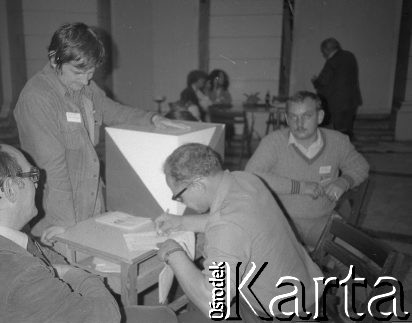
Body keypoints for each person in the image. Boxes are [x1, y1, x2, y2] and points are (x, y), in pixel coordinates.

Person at [0, 143, 178, 323]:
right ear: (10, 189)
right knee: (164, 317)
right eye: (31, 176)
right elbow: (108, 315)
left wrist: (59, 270)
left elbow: (42, 254)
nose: (37, 184)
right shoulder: (23, 277)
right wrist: (75, 273)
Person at [14, 22, 185, 238]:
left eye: (91, 72)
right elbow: (53, 171)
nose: (86, 79)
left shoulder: (83, 86)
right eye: (78, 71)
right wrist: (66, 225)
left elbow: (112, 110)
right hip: (58, 213)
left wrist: (152, 118)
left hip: (90, 200)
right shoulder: (37, 98)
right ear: (54, 58)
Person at [155, 143, 322, 322]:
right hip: (308, 289)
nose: (181, 202)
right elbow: (236, 222)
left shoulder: (227, 226)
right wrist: (180, 222)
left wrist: (173, 252)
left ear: (198, 185)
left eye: (179, 196)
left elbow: (214, 304)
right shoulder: (244, 179)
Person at [245, 91, 369, 248]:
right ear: (286, 119)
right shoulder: (273, 142)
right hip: (280, 221)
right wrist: (300, 187)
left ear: (320, 116)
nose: (299, 123)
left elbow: (360, 166)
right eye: (293, 117)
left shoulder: (337, 141)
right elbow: (251, 175)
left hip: (322, 220)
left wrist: (344, 181)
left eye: (307, 116)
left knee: (355, 257)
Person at [311, 37, 362, 139]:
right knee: (348, 129)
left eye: (322, 52)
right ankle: (349, 149)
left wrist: (315, 81)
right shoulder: (350, 56)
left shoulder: (332, 62)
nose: (323, 55)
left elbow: (323, 82)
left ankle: (341, 152)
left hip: (338, 101)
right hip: (352, 99)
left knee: (339, 131)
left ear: (326, 50)